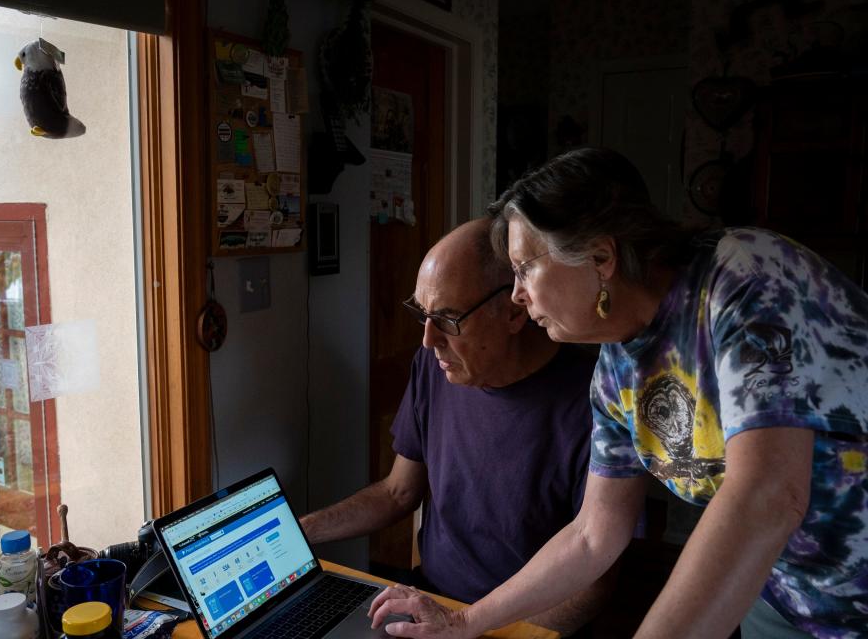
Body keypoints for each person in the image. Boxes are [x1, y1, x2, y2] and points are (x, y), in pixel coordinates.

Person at [368, 147, 868, 639]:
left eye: (523, 269)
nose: (517, 294)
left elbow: (767, 496)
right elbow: (592, 536)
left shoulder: (746, 280)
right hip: (783, 596)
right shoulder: (616, 370)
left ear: (600, 257)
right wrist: (464, 622)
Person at [300, 218, 615, 636]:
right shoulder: (435, 368)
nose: (429, 340)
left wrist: (477, 631)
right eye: (422, 314)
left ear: (513, 311)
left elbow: (595, 582)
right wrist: (300, 532)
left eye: (448, 318)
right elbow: (398, 492)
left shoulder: (597, 400)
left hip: (519, 626)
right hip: (432, 606)